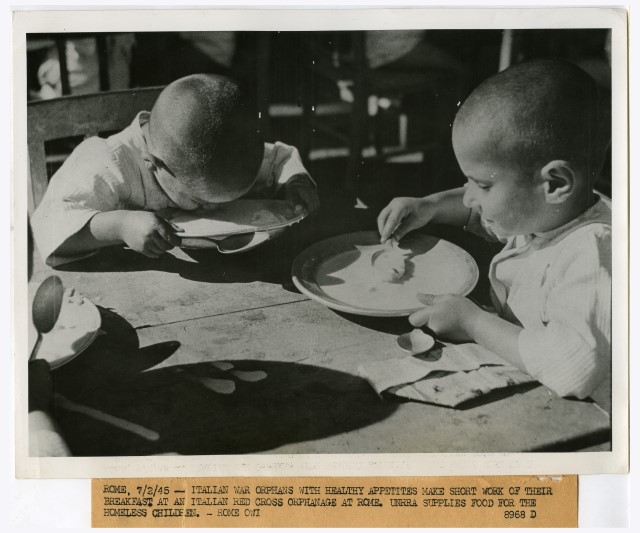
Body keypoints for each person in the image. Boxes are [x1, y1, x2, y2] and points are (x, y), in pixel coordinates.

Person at [377, 59, 611, 408]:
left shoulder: (593, 255)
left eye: (482, 185)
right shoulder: (548, 213)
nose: (468, 197)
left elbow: (575, 370)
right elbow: (485, 217)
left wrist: (473, 323)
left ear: (555, 183)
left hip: (588, 418)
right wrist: (431, 206)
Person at [32, 73, 319, 267]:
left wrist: (295, 181)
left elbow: (280, 157)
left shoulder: (223, 154)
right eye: (199, 201)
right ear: (153, 163)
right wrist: (121, 226)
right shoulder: (108, 163)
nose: (212, 210)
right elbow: (47, 228)